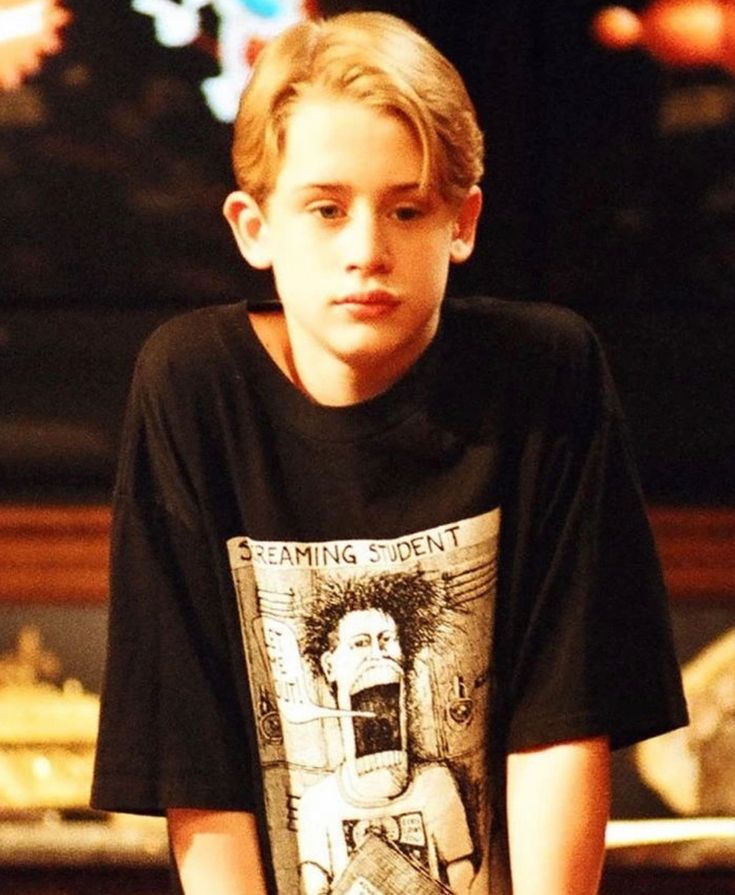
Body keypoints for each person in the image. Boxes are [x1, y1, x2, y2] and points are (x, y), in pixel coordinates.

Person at [91, 10, 688, 895]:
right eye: (324, 209)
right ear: (253, 226)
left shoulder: (545, 379)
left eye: (406, 209)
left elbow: (561, 724)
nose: (365, 250)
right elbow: (198, 763)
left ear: (463, 221)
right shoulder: (192, 387)